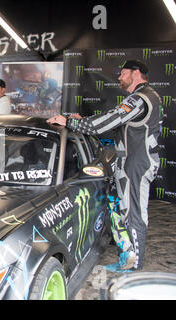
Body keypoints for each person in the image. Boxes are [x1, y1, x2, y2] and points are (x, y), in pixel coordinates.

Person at [47, 60, 162, 272]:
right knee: (129, 211)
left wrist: (70, 122)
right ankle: (128, 258)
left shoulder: (139, 99)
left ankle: (134, 265)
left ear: (135, 73)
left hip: (137, 164)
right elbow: (118, 126)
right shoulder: (147, 96)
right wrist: (86, 121)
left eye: (123, 72)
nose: (119, 77)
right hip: (136, 162)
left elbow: (109, 121)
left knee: (134, 214)